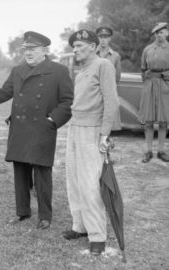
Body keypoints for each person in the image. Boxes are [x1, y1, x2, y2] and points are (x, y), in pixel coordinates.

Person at [0, 31, 74, 229]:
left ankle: (45, 216)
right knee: (20, 171)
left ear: (44, 51)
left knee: (41, 173)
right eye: (26, 49)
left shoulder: (59, 71)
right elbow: (5, 93)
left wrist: (52, 120)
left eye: (33, 49)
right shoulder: (17, 70)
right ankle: (22, 212)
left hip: (42, 128)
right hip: (20, 128)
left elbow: (67, 101)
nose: (28, 53)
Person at [62, 29, 119, 255]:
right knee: (74, 180)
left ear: (94, 46)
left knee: (90, 184)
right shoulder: (80, 71)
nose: (75, 49)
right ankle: (80, 227)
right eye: (74, 46)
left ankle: (97, 236)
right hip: (75, 128)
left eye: (80, 46)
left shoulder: (103, 65)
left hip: (92, 130)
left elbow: (111, 102)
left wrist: (104, 134)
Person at [139, 22, 169, 163]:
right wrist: (145, 83)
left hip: (164, 84)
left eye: (161, 32)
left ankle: (161, 151)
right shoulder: (148, 49)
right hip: (150, 84)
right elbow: (143, 69)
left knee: (163, 121)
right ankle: (148, 151)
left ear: (167, 33)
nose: (159, 35)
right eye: (156, 33)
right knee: (148, 121)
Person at [96, 26, 122, 131]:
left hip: (108, 94)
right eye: (100, 37)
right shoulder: (92, 54)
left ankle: (105, 146)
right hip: (94, 93)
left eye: (106, 37)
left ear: (110, 38)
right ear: (97, 38)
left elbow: (117, 77)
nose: (103, 39)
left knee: (108, 127)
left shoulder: (115, 56)